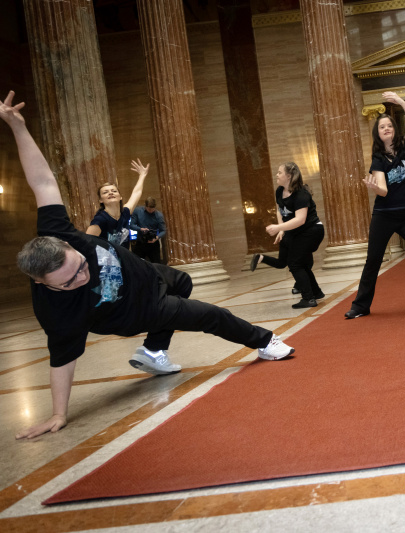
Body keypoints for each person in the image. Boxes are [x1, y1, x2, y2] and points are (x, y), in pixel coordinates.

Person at [0, 91, 295, 440]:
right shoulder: (56, 312)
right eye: (68, 283)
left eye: (80, 266)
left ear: (66, 243)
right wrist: (58, 414)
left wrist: (17, 127)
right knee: (207, 315)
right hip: (137, 309)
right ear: (41, 283)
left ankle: (154, 351)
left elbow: (43, 181)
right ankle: (266, 342)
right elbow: (62, 359)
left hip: (146, 274)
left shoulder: (56, 230)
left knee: (183, 281)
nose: (82, 278)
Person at [344, 91, 405, 319]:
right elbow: (383, 190)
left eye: (389, 125)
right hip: (384, 215)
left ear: (394, 129)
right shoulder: (378, 159)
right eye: (382, 127)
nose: (386, 128)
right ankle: (360, 306)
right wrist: (374, 188)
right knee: (373, 259)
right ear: (377, 133)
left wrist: (400, 102)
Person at [256, 162, 325, 309]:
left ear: (289, 176)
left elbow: (300, 220)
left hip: (311, 231)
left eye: (280, 172)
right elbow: (280, 210)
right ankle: (316, 293)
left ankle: (309, 299)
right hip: (297, 232)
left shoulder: (301, 194)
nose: (277, 175)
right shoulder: (279, 191)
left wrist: (278, 227)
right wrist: (282, 230)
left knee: (295, 263)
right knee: (302, 264)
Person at [85, 159, 149, 249]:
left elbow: (136, 193)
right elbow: (86, 245)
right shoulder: (100, 220)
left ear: (120, 197)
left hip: (124, 260)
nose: (110, 193)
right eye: (105, 192)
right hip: (106, 262)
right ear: (100, 200)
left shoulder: (125, 213)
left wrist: (142, 175)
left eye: (114, 191)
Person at [130, 196, 166, 263]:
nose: (151, 211)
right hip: (140, 242)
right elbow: (131, 225)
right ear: (145, 206)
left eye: (153, 209)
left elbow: (163, 230)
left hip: (153, 243)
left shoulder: (159, 215)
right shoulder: (138, 211)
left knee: (156, 264)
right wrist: (140, 229)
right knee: (137, 263)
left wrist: (157, 237)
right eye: (149, 209)